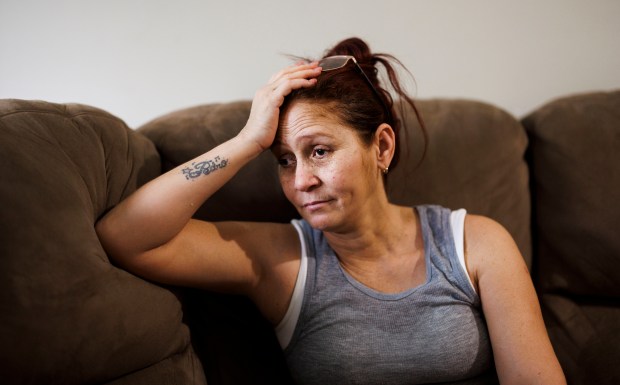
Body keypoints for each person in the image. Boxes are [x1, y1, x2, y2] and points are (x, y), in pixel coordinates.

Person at [96, 37, 566, 384]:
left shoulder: (473, 243)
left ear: (381, 146)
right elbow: (126, 237)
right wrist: (246, 143)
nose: (301, 181)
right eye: (284, 159)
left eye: (319, 151)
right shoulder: (282, 261)